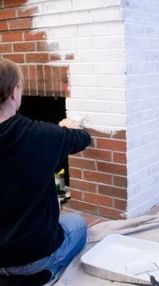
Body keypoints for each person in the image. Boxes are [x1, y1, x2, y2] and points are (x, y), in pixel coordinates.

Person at [0, 58, 91, 284]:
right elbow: (83, 138)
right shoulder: (42, 135)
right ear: (13, 93)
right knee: (76, 224)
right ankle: (48, 273)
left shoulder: (41, 137)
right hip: (29, 260)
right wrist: (66, 128)